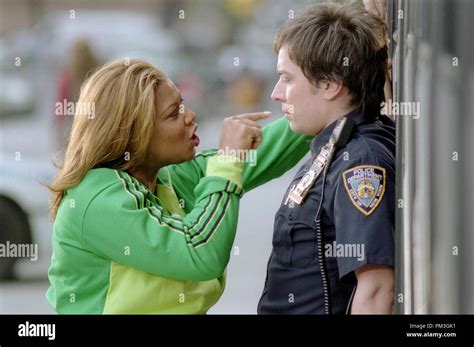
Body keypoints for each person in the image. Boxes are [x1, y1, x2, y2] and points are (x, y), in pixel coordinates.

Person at [46, 58, 310, 314]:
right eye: (174, 113)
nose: (190, 116)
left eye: (182, 104)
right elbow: (199, 253)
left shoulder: (168, 176)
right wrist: (228, 161)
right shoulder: (96, 198)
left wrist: (321, 104)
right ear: (134, 132)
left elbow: (267, 151)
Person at [257, 2, 395, 314]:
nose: (276, 93)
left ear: (330, 85)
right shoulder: (338, 144)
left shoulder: (361, 163)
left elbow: (376, 289)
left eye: (287, 78)